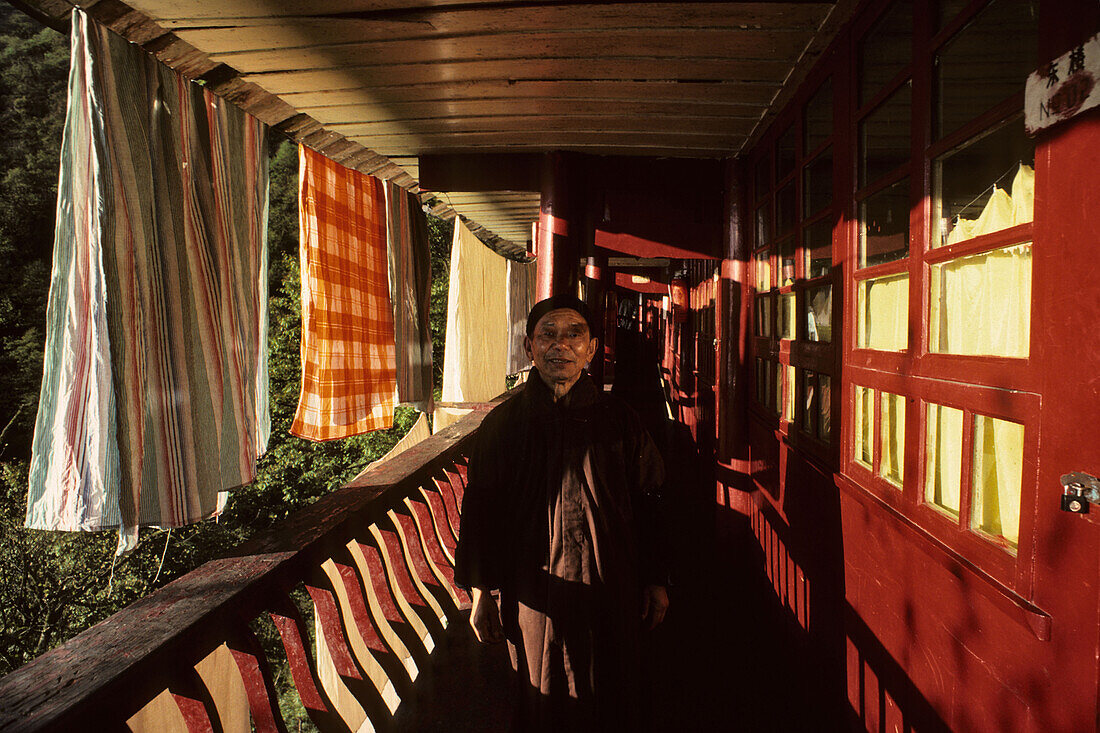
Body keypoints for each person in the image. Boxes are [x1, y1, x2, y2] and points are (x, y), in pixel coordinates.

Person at [454, 294, 670, 732]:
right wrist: (480, 593)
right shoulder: (504, 425)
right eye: (547, 335)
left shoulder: (620, 420)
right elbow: (481, 509)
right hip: (534, 589)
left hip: (613, 581)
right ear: (529, 347)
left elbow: (653, 500)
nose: (561, 345)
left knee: (616, 688)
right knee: (540, 689)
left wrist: (657, 578)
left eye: (574, 335)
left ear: (592, 349)